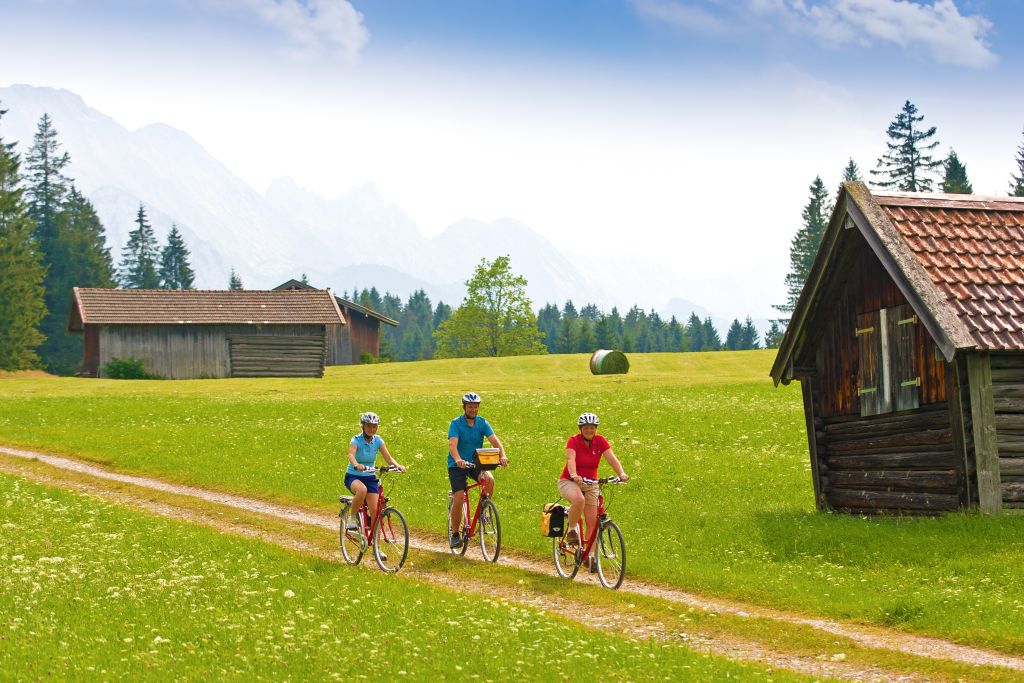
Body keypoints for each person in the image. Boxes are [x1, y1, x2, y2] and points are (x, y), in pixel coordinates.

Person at [559, 412, 629, 568]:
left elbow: (611, 458)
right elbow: (570, 459)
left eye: (592, 428)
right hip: (570, 481)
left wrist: (621, 473)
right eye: (586, 428)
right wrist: (574, 474)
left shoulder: (600, 441)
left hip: (591, 483)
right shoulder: (573, 441)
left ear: (595, 428)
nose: (589, 430)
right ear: (580, 428)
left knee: (592, 521)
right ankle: (571, 530)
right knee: (579, 500)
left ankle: (590, 558)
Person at [447, 392, 507, 548]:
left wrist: (503, 456)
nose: (473, 409)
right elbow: (452, 445)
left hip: (475, 463)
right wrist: (458, 460)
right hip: (457, 465)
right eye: (470, 406)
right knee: (459, 497)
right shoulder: (456, 423)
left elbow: (494, 441)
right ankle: (455, 533)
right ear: (464, 407)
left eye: (476, 407)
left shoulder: (482, 422)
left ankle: (483, 512)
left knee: (489, 480)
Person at [344, 412, 405, 531]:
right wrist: (356, 464)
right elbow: (351, 454)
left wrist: (398, 466)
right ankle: (352, 518)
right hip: (354, 476)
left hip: (370, 477)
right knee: (362, 490)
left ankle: (376, 547)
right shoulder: (356, 439)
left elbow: (388, 458)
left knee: (376, 512)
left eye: (374, 426)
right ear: (363, 426)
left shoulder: (378, 440)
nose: (371, 429)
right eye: (368, 426)